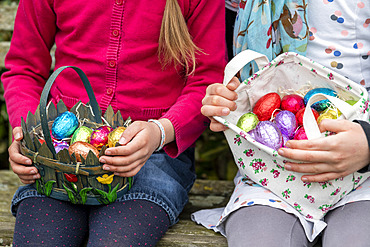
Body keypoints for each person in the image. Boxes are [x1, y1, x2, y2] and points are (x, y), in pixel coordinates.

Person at [2, 0, 226, 246]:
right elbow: (24, 68)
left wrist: (159, 132)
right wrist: (28, 136)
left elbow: (207, 81)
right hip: (58, 157)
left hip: (152, 158)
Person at [193, 1, 370, 246]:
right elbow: (221, 62)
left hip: (363, 176)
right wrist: (227, 99)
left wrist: (368, 143)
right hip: (273, 172)